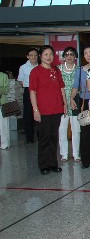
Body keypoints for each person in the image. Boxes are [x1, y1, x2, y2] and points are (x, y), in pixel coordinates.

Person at [29, 45, 67, 175]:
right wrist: (35, 110)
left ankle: (53, 163)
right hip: (43, 110)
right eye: (46, 54)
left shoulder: (56, 70)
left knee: (53, 137)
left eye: (51, 54)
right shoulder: (36, 72)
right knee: (44, 138)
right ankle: (43, 165)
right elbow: (32, 92)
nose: (49, 57)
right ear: (40, 56)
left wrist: (65, 104)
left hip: (56, 108)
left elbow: (62, 88)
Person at [70, 46, 90, 169]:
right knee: (85, 132)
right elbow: (75, 86)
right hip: (84, 101)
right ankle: (85, 159)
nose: (88, 55)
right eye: (85, 53)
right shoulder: (80, 70)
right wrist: (71, 98)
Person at [58, 47, 80, 163]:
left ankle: (76, 154)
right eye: (67, 54)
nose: (69, 56)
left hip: (75, 101)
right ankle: (64, 154)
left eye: (71, 54)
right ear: (64, 57)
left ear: (75, 56)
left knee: (76, 129)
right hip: (62, 102)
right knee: (62, 128)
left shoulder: (79, 70)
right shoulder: (58, 69)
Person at [18, 47, 39, 143]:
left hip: (40, 92)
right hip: (28, 91)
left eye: (35, 55)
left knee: (41, 113)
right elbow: (21, 81)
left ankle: (40, 135)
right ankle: (29, 137)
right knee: (28, 114)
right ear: (27, 56)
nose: (33, 57)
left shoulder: (41, 66)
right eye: (31, 55)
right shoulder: (23, 67)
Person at [0, 71, 10, 150]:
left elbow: (6, 90)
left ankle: (4, 143)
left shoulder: (3, 76)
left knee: (3, 125)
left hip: (2, 103)